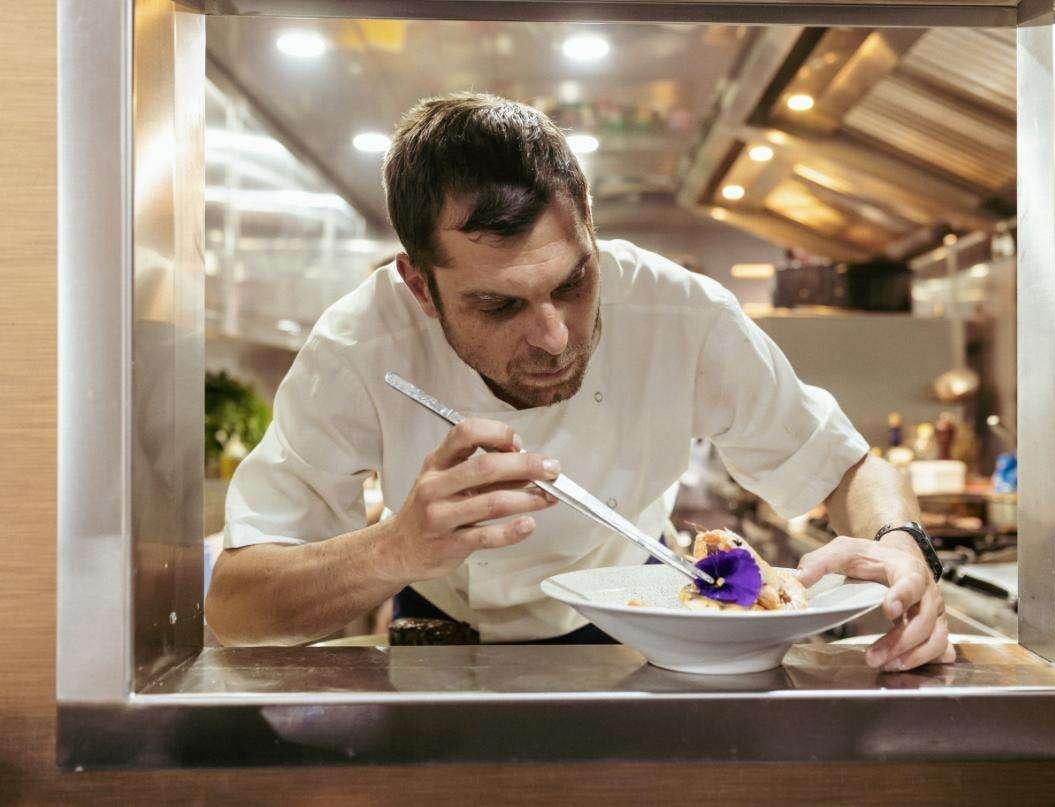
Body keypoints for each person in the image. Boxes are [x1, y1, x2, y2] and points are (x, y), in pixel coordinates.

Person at [205, 92, 953, 672]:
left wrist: (901, 544)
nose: (555, 337)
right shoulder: (358, 344)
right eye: (498, 305)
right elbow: (236, 605)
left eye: (574, 280)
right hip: (437, 633)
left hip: (641, 623)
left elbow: (845, 464)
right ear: (420, 287)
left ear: (591, 227)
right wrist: (393, 550)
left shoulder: (680, 311)